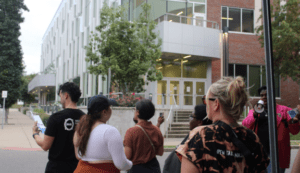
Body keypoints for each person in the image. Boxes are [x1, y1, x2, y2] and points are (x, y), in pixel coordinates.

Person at [176, 76, 269, 173]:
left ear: (216, 103)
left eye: (206, 100)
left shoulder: (200, 136)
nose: (206, 104)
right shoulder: (252, 138)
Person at [242, 86, 300, 173]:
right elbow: (245, 124)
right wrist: (254, 115)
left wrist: (294, 120)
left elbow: (294, 128)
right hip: (260, 153)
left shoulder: (284, 110)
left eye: (267, 95)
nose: (264, 97)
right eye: (262, 95)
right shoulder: (254, 111)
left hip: (278, 154)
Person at [32, 82, 85, 173]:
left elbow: (45, 146)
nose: (60, 100)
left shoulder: (56, 118)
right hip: (77, 167)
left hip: (56, 168)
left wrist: (35, 134)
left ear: (66, 96)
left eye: (60, 96)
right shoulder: (85, 118)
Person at [73, 95, 132, 172]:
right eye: (109, 107)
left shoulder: (81, 128)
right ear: (104, 112)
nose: (111, 110)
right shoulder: (110, 131)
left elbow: (79, 155)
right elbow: (121, 164)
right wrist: (131, 164)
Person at [163, 104, 212, 173]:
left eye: (192, 117)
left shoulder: (196, 142)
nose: (190, 120)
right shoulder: (198, 138)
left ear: (199, 122)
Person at [124, 99, 164, 173]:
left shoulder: (131, 132)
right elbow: (160, 152)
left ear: (138, 112)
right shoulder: (157, 131)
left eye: (135, 109)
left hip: (136, 169)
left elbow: (127, 156)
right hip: (153, 168)